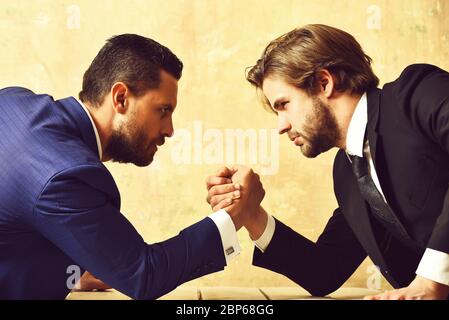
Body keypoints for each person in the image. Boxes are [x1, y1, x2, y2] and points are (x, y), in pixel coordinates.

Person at [0, 34, 264, 299]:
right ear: (121, 98)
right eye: (163, 110)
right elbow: (143, 274)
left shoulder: (12, 101)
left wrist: (69, 271)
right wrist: (235, 214)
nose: (170, 130)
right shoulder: (65, 176)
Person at [206, 24, 449, 300]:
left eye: (284, 104)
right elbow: (324, 271)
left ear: (324, 83)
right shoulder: (348, 172)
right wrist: (251, 213)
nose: (281, 126)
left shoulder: (418, 92)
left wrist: (432, 281)